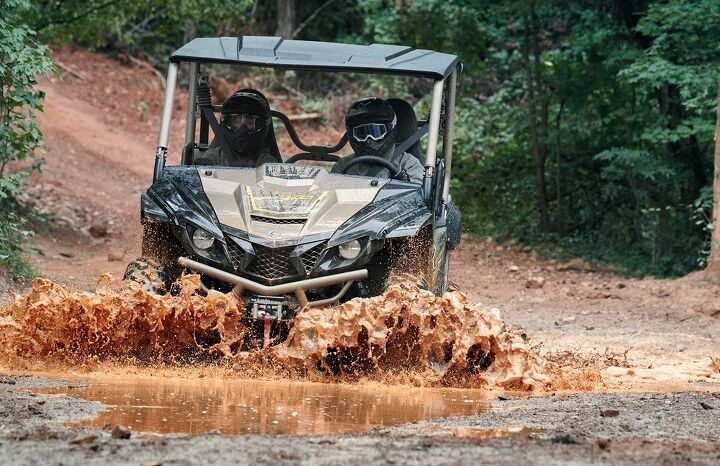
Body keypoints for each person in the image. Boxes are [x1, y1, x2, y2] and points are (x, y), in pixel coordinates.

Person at [332, 97, 425, 183]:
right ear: (352, 135)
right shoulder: (342, 166)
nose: (368, 140)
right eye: (361, 133)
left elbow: (417, 197)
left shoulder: (408, 165)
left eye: (375, 132)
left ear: (390, 129)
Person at [201, 89, 281, 167]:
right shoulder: (214, 156)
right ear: (227, 122)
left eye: (249, 123)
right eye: (237, 122)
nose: (242, 130)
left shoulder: (266, 162)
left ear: (260, 126)